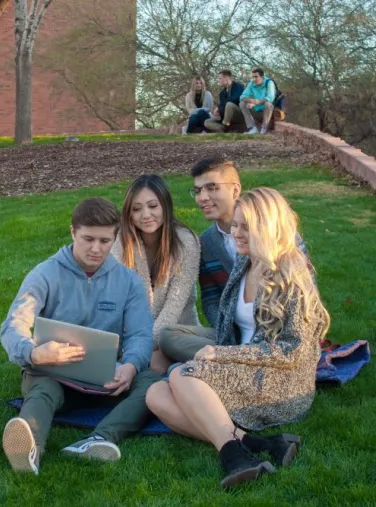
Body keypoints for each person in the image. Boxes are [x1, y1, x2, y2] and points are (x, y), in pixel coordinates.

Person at [146, 187, 331, 488]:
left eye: (247, 226)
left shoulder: (292, 276)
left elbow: (291, 352)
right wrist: (221, 352)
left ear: (269, 227)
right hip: (242, 361)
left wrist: (222, 356)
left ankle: (232, 455)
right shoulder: (247, 263)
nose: (237, 233)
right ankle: (256, 445)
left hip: (278, 379)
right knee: (155, 394)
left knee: (183, 375)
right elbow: (226, 325)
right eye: (236, 225)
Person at [0, 198, 161, 475]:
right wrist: (34, 353)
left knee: (152, 383)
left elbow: (141, 334)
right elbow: (13, 325)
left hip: (107, 379)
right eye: (88, 239)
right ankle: (29, 451)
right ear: (73, 232)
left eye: (104, 241)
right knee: (43, 390)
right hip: (54, 375)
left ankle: (99, 440)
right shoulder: (45, 273)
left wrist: (131, 365)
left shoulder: (128, 281)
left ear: (114, 239)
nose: (96, 249)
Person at [157, 158, 311, 366]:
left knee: (173, 368)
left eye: (212, 188)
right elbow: (210, 299)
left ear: (235, 190)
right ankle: (223, 358)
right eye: (198, 190)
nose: (203, 197)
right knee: (168, 336)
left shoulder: (280, 238)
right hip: (231, 332)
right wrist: (227, 329)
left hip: (272, 338)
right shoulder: (207, 243)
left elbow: (305, 295)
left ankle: (220, 363)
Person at [110, 175, 201, 374]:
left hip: (176, 333)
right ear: (129, 213)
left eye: (153, 206)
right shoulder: (121, 243)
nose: (145, 214)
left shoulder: (186, 242)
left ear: (165, 206)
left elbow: (173, 308)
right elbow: (117, 302)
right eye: (137, 209)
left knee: (151, 364)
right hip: (133, 336)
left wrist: (139, 350)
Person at [240, 68, 277, 135]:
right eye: (253, 77)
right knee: (242, 103)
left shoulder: (269, 82)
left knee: (268, 104)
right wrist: (251, 100)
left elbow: (270, 98)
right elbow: (242, 97)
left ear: (262, 77)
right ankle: (253, 128)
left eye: (256, 77)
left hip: (266, 112)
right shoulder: (252, 83)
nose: (254, 79)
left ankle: (264, 129)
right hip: (255, 112)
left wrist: (256, 103)